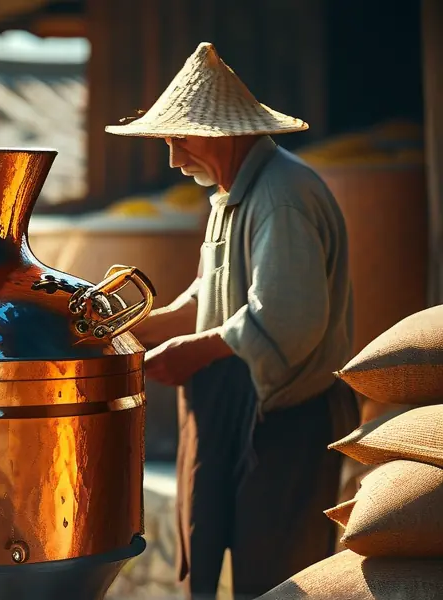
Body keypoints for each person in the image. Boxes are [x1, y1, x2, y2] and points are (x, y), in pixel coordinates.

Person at [106, 43, 360, 599]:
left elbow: (288, 318)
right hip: (229, 405)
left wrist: (193, 352)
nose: (173, 158)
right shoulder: (230, 197)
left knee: (277, 576)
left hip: (285, 418)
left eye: (180, 139)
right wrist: (128, 332)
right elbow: (209, 298)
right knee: (209, 554)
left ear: (225, 134)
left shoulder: (281, 196)